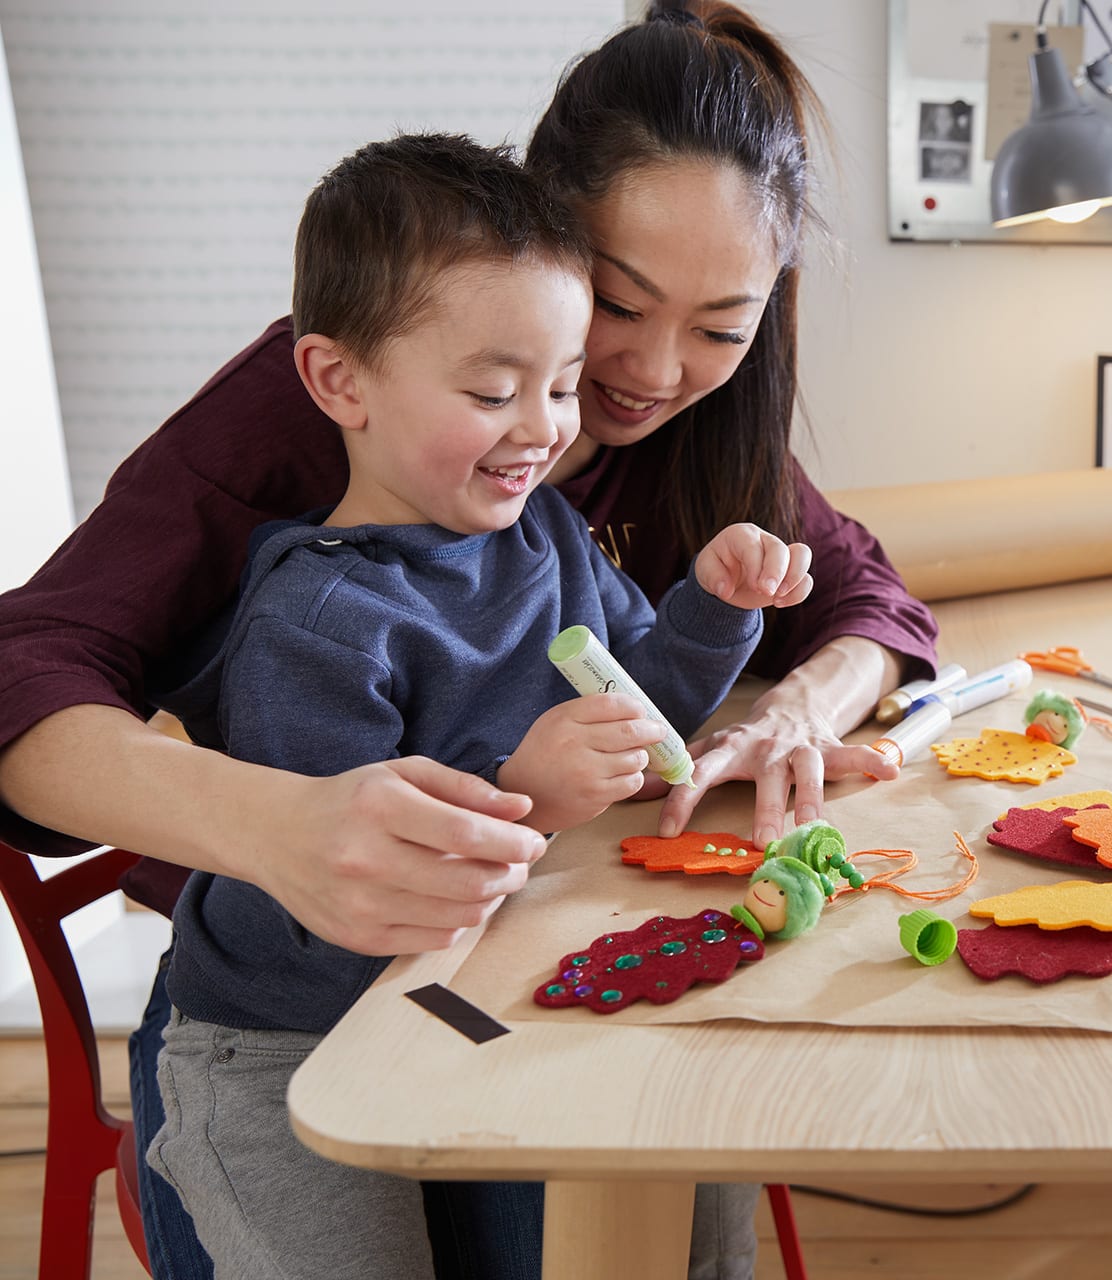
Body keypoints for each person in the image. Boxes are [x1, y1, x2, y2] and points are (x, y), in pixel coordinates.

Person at [0, 4, 937, 1277]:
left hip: (515, 952)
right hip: (299, 1001)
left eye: (723, 327)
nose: (652, 375)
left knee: (663, 1202)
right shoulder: (335, 457)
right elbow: (32, 665)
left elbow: (855, 599)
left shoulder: (560, 502)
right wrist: (283, 823)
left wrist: (790, 702)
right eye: (616, 302)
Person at [145, 131, 809, 1279]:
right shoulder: (321, 622)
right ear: (338, 380)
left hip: (472, 987)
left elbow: (642, 717)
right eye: (495, 391)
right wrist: (528, 796)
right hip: (288, 1041)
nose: (546, 426)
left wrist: (711, 608)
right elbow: (351, 901)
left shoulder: (541, 532)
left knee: (689, 1190)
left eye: (559, 386)